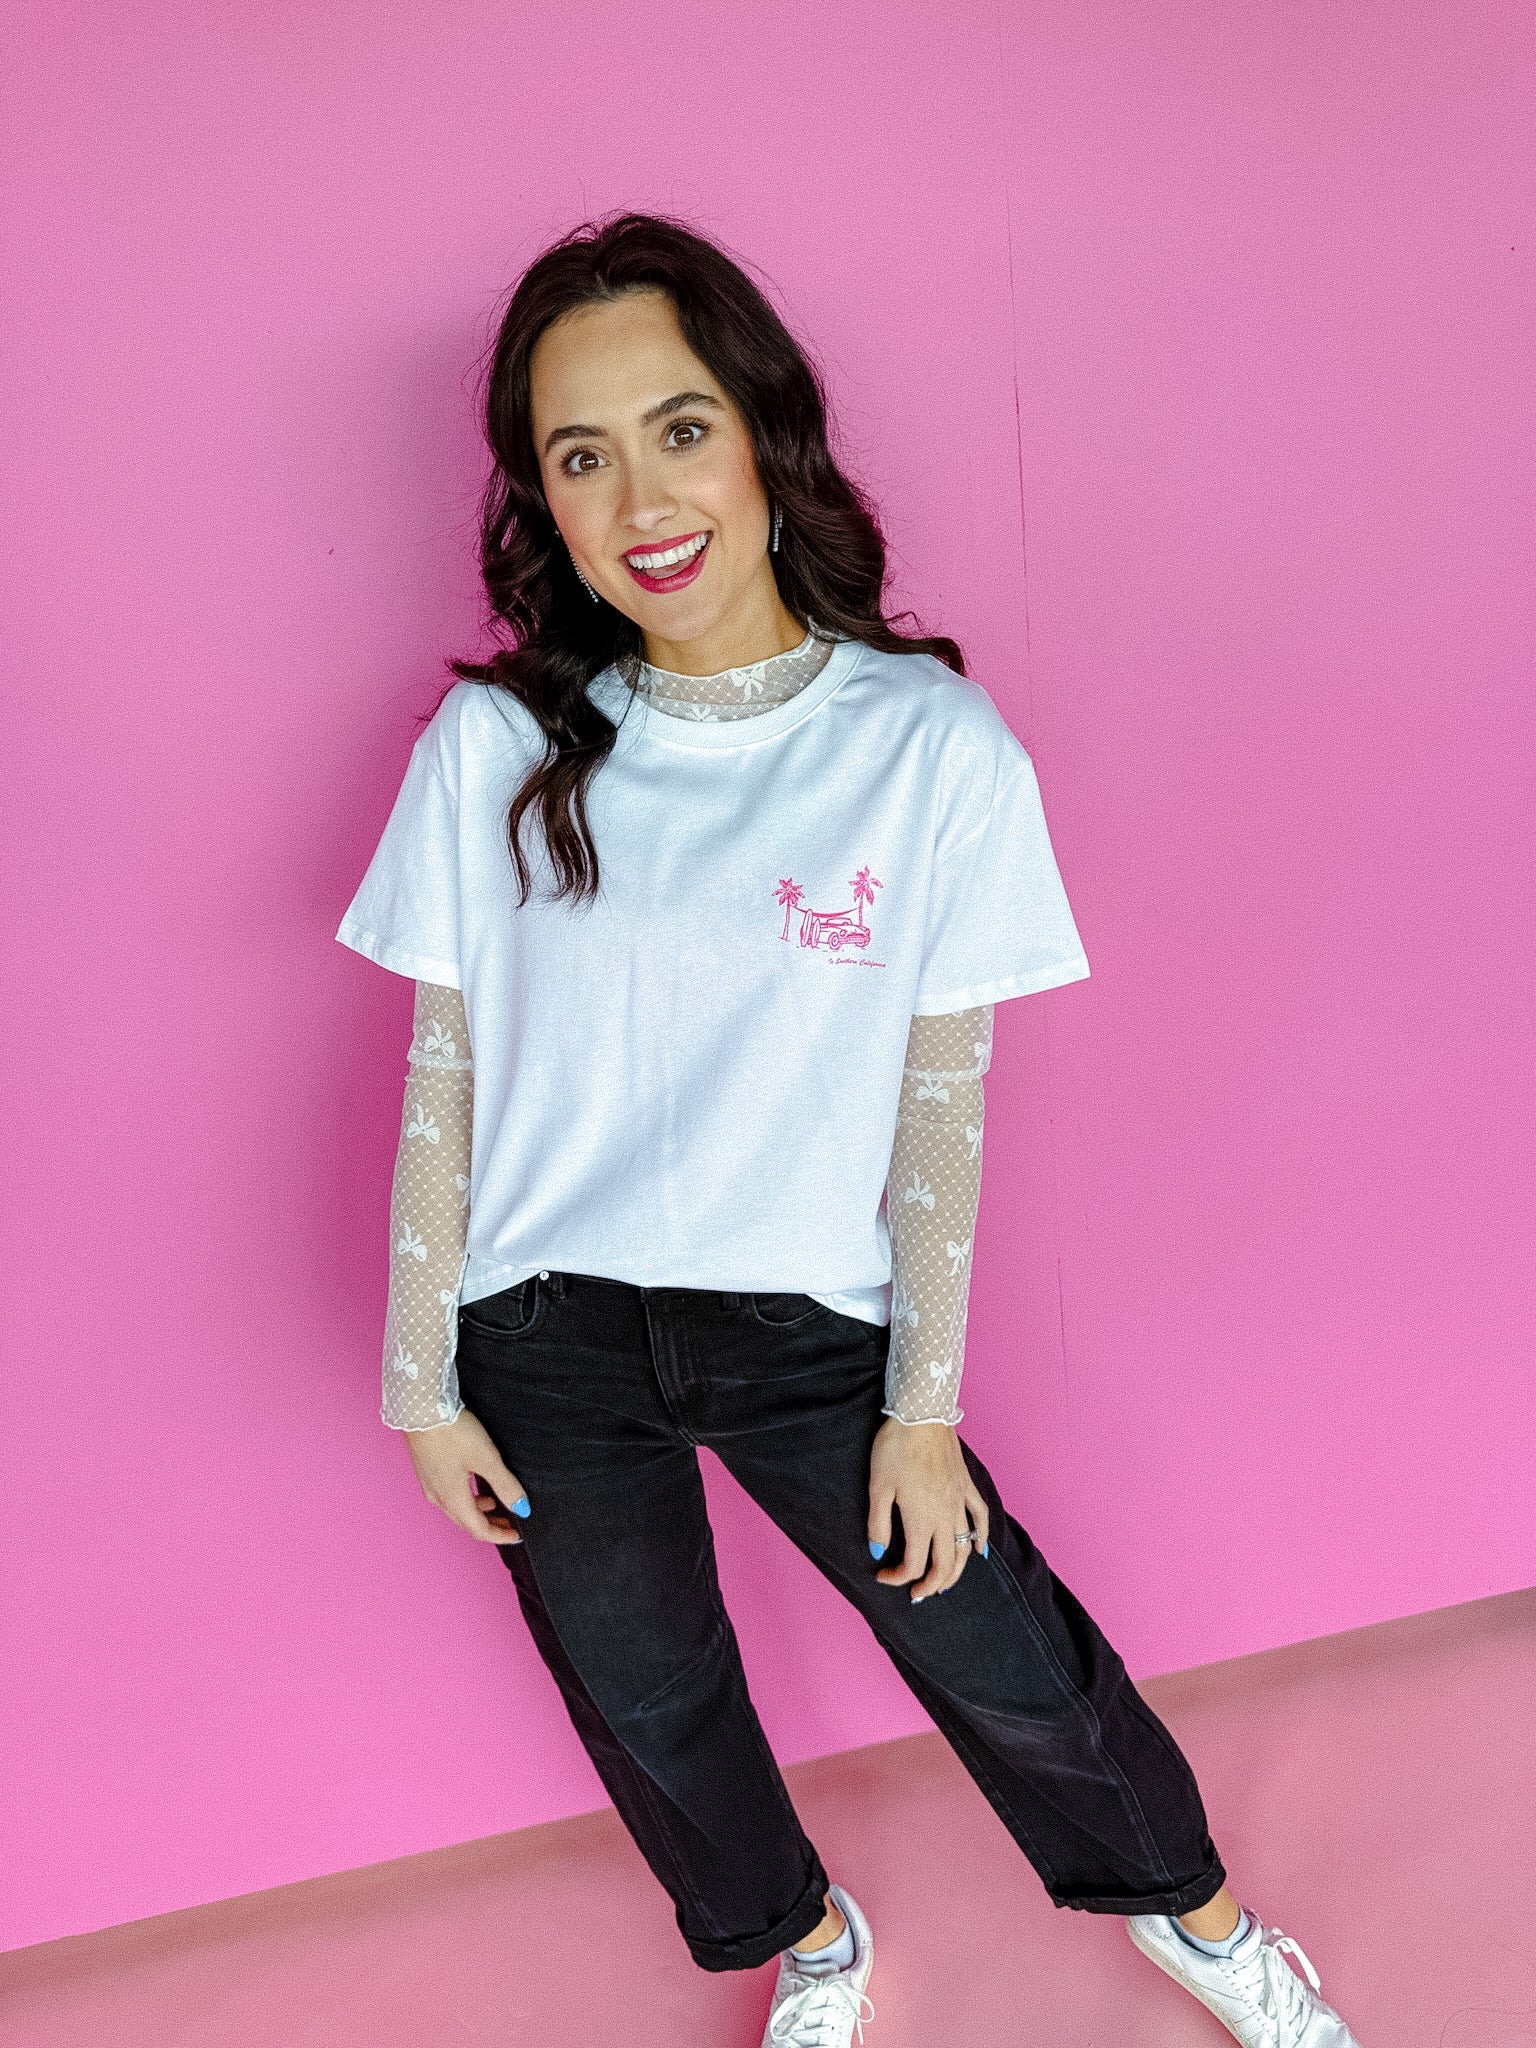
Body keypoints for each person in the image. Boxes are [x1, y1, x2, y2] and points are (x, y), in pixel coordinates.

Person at [335, 212, 1363, 2048]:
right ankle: (807, 1940)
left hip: (809, 1324)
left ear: (761, 431)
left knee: (1006, 1658)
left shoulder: (930, 746)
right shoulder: (494, 747)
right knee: (647, 1701)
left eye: (679, 428)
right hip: (543, 1331)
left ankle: (1198, 1919)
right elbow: (447, 1070)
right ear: (543, 501)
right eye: (582, 456)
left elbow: (940, 1098)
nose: (642, 497)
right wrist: (422, 1379)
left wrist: (923, 1404)